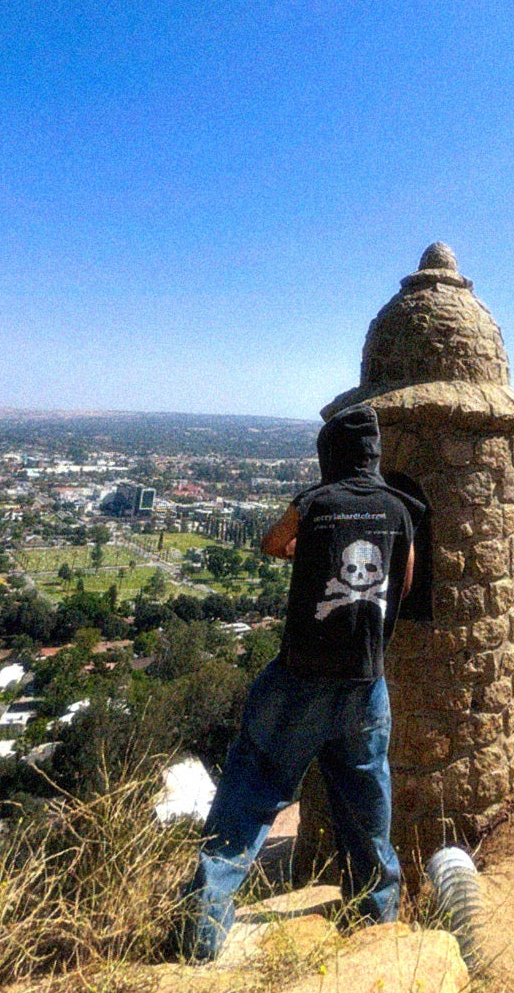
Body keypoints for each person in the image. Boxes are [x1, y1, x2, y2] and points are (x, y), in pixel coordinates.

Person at [179, 403, 418, 960]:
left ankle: (201, 932)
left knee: (250, 791)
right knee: (367, 807)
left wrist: (305, 552)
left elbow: (271, 542)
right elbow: (402, 583)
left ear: (332, 451)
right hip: (366, 683)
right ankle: (377, 922)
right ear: (373, 454)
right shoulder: (401, 510)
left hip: (301, 679)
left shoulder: (315, 503)